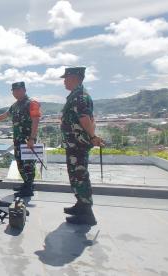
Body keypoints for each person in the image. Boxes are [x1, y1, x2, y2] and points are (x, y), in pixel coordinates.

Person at [0, 81, 41, 197]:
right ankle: (26, 184)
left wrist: (32, 138)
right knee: (20, 163)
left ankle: (29, 188)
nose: (15, 93)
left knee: (28, 164)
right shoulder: (15, 105)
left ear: (24, 90)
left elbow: (36, 120)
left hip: (28, 140)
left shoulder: (32, 103)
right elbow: (4, 115)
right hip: (18, 140)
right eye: (14, 91)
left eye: (18, 90)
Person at [60, 67, 103, 225]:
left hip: (78, 144)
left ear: (75, 77)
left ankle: (87, 214)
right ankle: (80, 205)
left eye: (66, 78)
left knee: (80, 176)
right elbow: (91, 118)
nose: (64, 81)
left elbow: (85, 118)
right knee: (76, 176)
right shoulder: (76, 95)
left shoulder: (80, 95)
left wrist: (92, 136)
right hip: (74, 143)